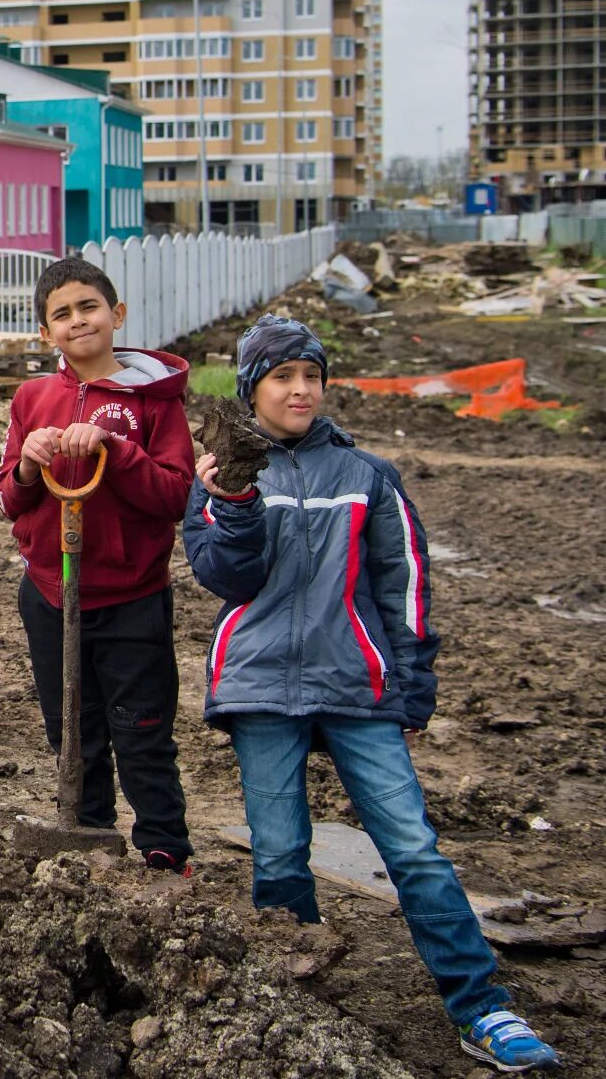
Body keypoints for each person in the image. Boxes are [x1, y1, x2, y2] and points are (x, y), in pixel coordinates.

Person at [188, 314, 560, 1074]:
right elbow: (226, 578)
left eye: (310, 376)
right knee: (281, 855)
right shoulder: (223, 471)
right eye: (282, 377)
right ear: (252, 388)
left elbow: (406, 587)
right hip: (260, 684)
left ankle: (482, 1004)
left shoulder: (368, 477)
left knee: (414, 850)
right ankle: (294, 1002)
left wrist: (413, 689)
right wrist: (232, 502)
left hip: (358, 684)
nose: (299, 390)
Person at [0, 257, 195, 872]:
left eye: (88, 307)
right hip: (52, 592)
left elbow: (174, 496)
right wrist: (29, 463)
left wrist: (117, 449)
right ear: (44, 333)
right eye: (62, 314)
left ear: (118, 314)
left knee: (141, 729)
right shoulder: (34, 398)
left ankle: (164, 850)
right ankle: (88, 838)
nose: (77, 321)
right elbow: (10, 496)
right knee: (72, 728)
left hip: (131, 595)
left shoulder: (152, 401)